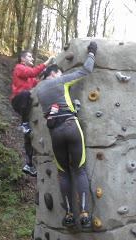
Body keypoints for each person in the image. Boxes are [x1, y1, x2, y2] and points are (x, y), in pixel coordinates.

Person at [35, 41, 98, 229]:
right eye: (60, 72)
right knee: (79, 170)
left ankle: (69, 214)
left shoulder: (39, 91)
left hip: (55, 133)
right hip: (71, 127)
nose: (62, 74)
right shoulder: (60, 80)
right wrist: (92, 53)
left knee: (63, 173)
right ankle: (85, 214)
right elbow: (86, 70)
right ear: (53, 73)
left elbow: (54, 106)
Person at [10, 50, 54, 177]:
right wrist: (47, 62)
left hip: (26, 105)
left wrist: (47, 75)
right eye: (30, 56)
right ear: (22, 59)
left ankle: (29, 164)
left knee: (28, 134)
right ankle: (24, 123)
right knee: (26, 93)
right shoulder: (19, 68)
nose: (32, 59)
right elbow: (33, 72)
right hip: (18, 100)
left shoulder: (29, 77)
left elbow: (37, 82)